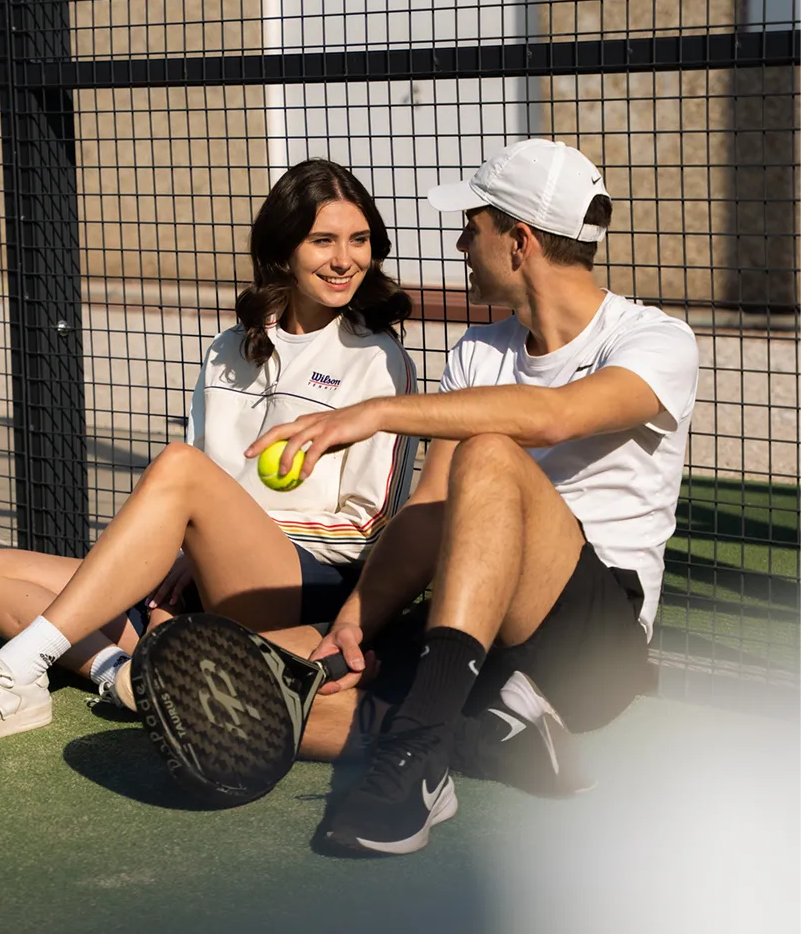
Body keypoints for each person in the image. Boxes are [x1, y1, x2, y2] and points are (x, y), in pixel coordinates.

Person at [244, 138, 700, 855]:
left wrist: (373, 413)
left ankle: (419, 759)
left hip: (593, 644)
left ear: (519, 241)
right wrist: (356, 619)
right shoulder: (478, 351)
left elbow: (554, 417)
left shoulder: (654, 339)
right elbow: (428, 510)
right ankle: (497, 743)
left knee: (490, 450)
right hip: (477, 630)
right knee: (266, 704)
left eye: (473, 226)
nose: (460, 242)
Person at [0, 158, 417, 746]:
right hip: (198, 579)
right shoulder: (230, 348)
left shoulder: (379, 360)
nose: (344, 259)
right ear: (282, 250)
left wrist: (203, 545)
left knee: (178, 467)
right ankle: (127, 675)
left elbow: (368, 525)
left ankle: (18, 670)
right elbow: (199, 487)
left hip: (308, 583)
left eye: (359, 241)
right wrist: (187, 555)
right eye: (322, 240)